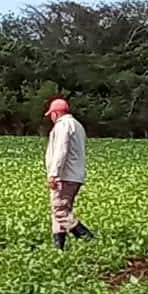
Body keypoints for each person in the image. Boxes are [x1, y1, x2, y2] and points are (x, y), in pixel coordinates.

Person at [44, 98, 94, 249]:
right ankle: (59, 248)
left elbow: (61, 150)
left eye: (51, 114)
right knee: (61, 210)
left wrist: (54, 173)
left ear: (57, 113)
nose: (51, 118)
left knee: (59, 210)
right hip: (75, 175)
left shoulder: (63, 125)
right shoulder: (77, 125)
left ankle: (88, 238)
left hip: (65, 175)